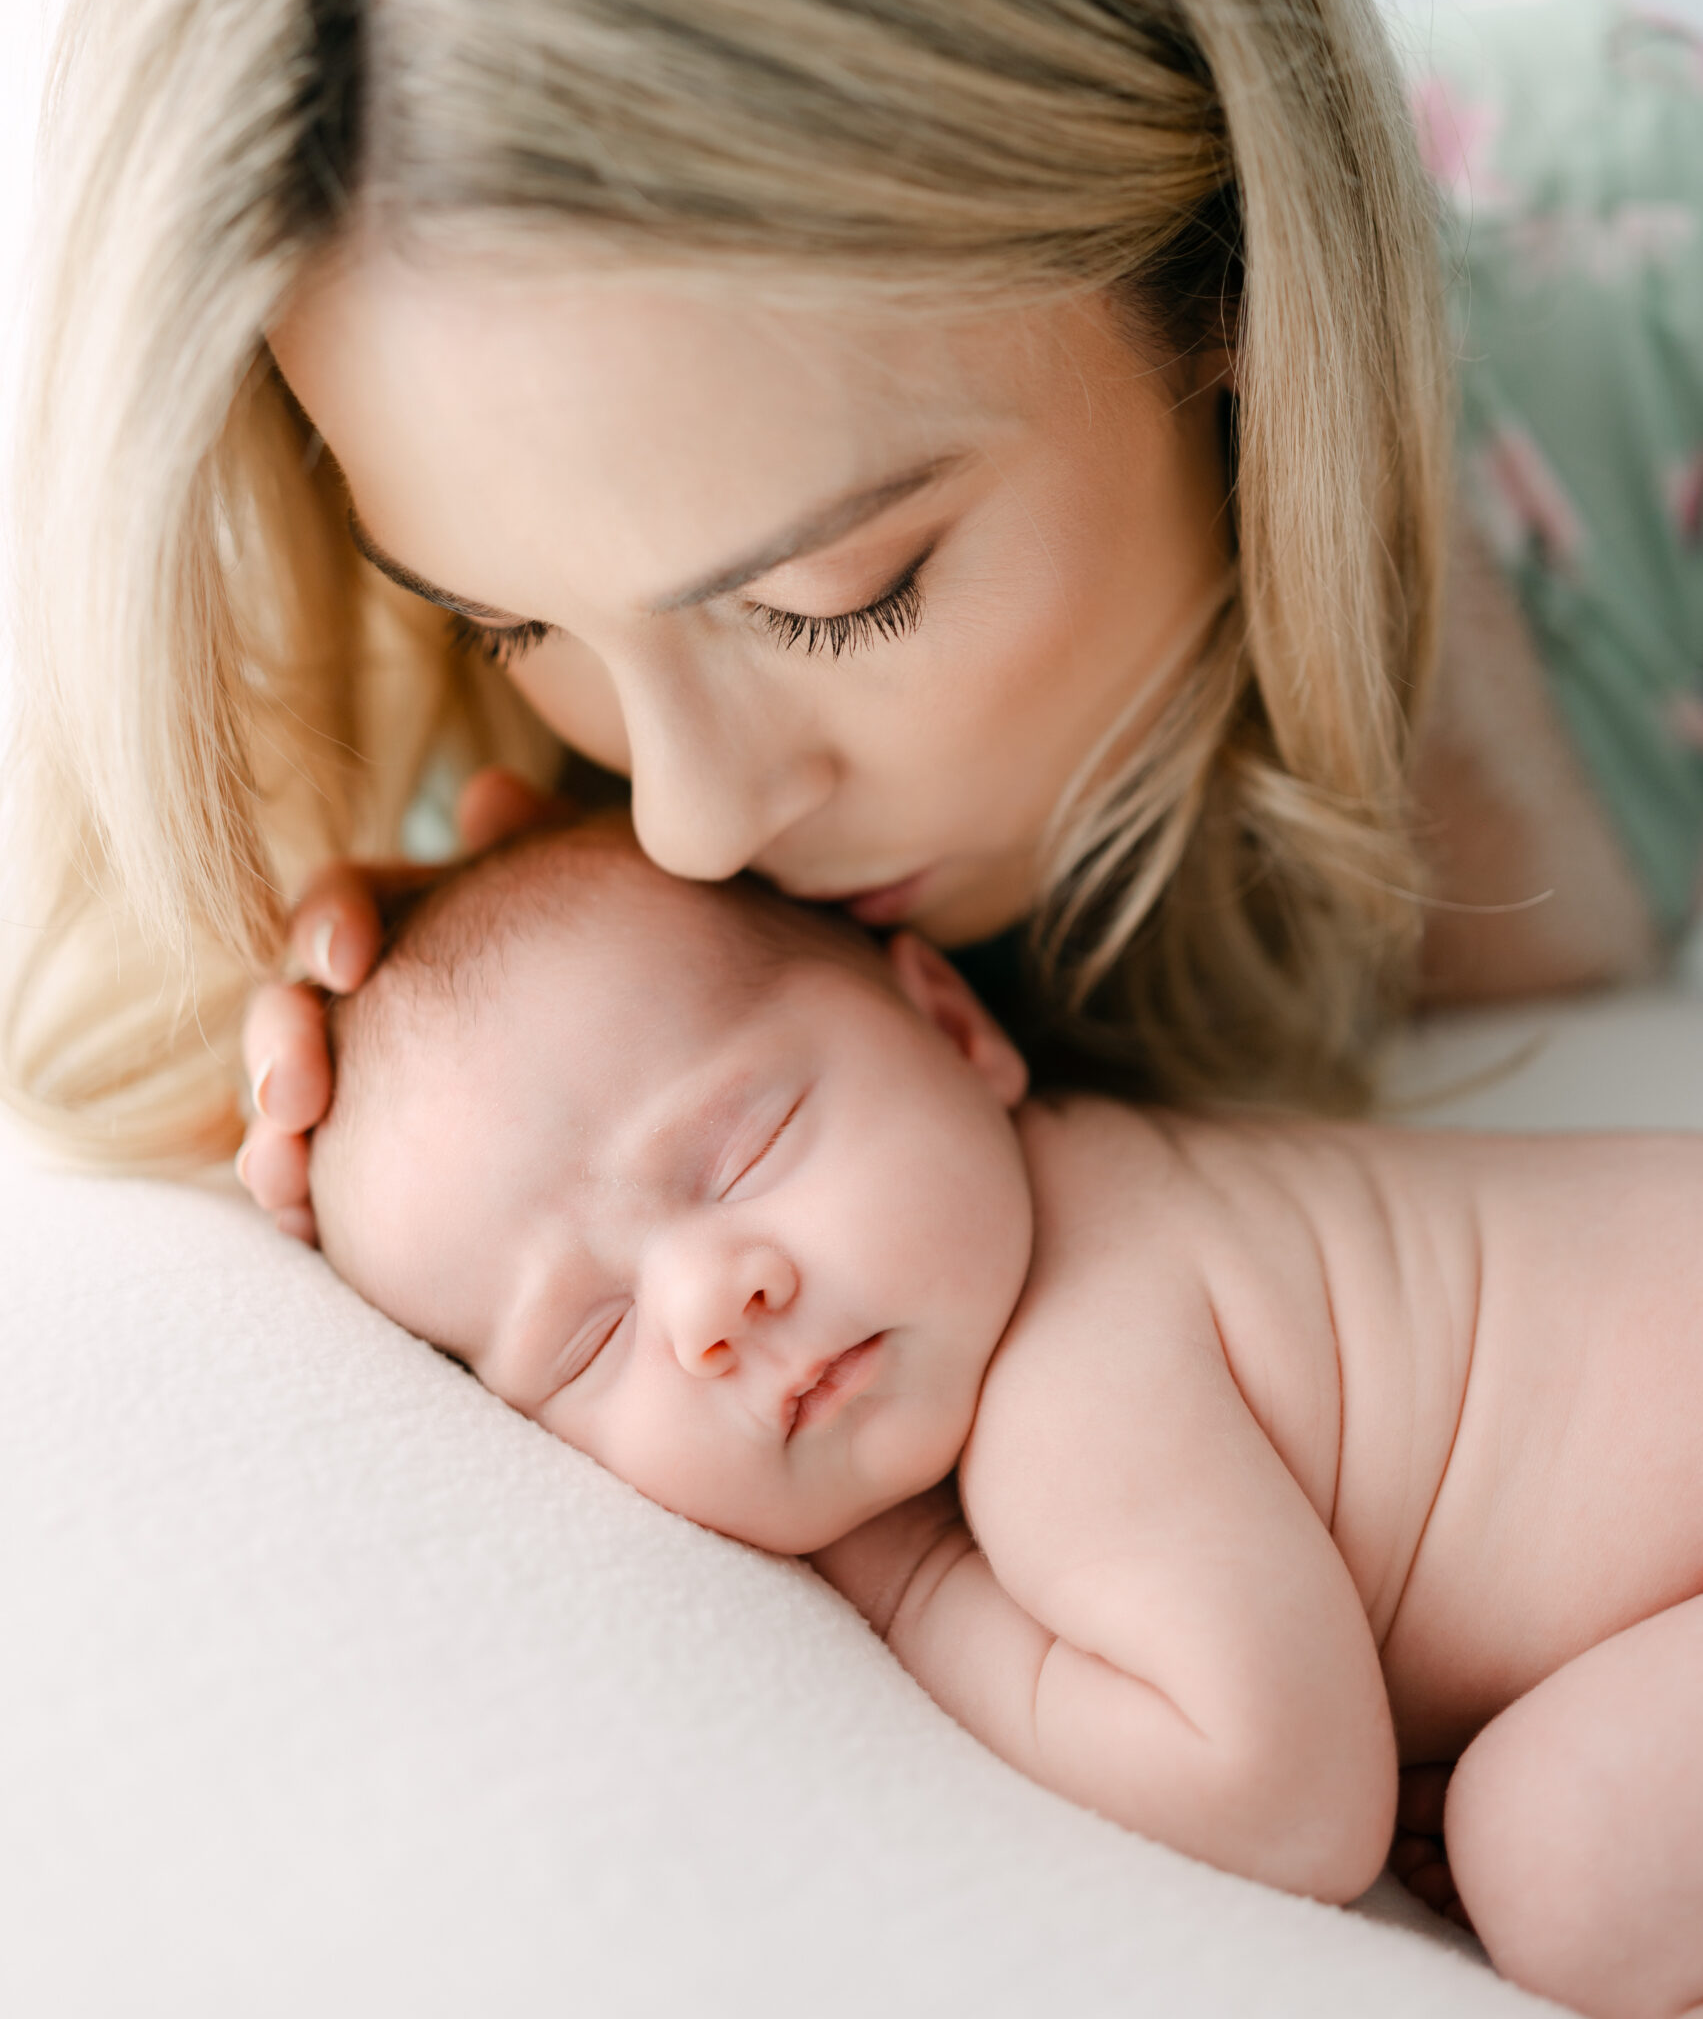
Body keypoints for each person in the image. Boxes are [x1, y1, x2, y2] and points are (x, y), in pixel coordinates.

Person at [6, 0, 1700, 1214]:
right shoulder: (497, 835)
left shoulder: (1658, 268)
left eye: (842, 596)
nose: (688, 821)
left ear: (1231, 269)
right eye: (502, 621)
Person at [310, 815, 1703, 2019]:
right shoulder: (1100, 1171)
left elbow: (1290, 1804)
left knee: (1559, 1856)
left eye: (745, 1151)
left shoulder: (1075, 1386)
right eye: (592, 1339)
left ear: (958, 1028)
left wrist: (916, 1582)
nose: (708, 1307)